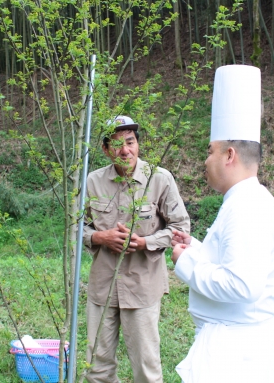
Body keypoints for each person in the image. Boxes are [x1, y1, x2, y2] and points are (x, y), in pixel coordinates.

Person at [170, 65, 274, 382]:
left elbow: (242, 284)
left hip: (236, 357)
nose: (205, 160)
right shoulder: (242, 201)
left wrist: (186, 265)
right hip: (230, 347)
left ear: (229, 155)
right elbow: (233, 262)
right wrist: (195, 248)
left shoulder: (247, 206)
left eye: (210, 151)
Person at [82, 115, 191, 383]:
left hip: (142, 287)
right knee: (97, 367)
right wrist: (99, 237)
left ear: (138, 144)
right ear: (106, 150)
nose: (125, 150)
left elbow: (181, 229)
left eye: (130, 142)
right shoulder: (92, 183)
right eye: (117, 144)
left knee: (146, 367)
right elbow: (75, 228)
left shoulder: (160, 179)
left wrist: (146, 242)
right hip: (102, 286)